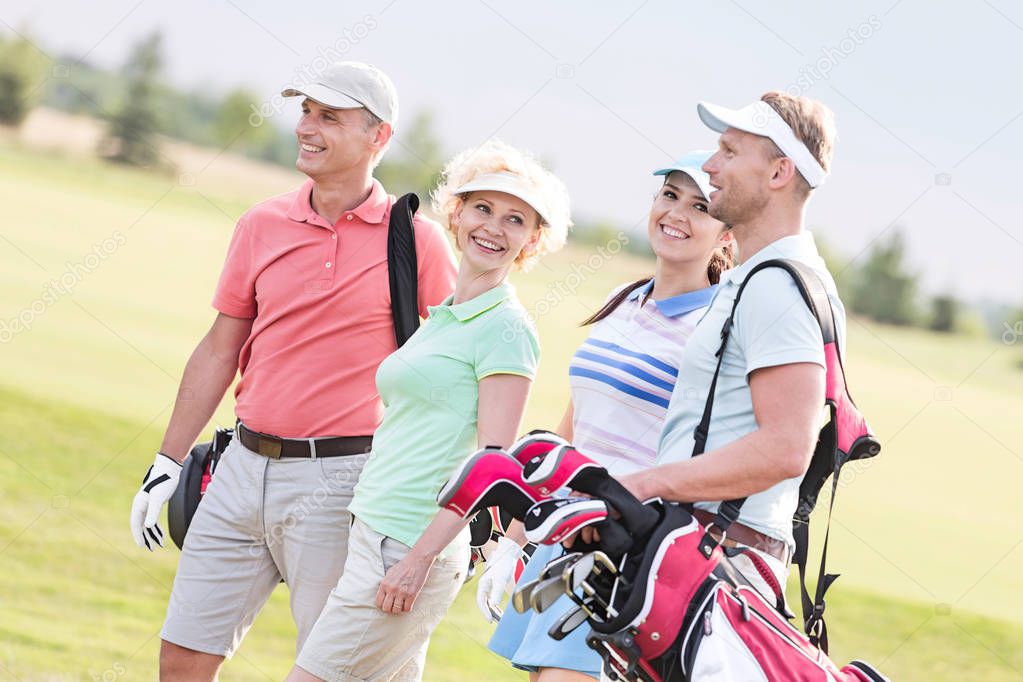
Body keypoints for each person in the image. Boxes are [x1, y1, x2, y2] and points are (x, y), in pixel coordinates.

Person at [127, 61, 458, 681]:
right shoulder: (262, 224)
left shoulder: (417, 241)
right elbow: (220, 348)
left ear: (377, 137)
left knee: (335, 669)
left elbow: (448, 383)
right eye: (306, 111)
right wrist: (167, 463)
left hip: (346, 483)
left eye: (329, 116)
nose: (307, 127)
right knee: (182, 658)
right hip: (239, 469)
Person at [286, 139, 572, 682]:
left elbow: (494, 467)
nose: (493, 227)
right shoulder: (444, 315)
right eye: (483, 208)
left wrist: (417, 560)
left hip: (411, 546)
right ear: (457, 212)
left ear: (532, 240)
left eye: (515, 219)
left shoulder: (506, 329)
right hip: (374, 529)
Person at [484, 151, 734, 680]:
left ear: (727, 235)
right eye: (669, 196)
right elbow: (573, 426)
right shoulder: (625, 300)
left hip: (623, 552)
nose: (677, 215)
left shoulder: (714, 327)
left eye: (700, 206)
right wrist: (516, 537)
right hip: (562, 534)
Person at [613, 91, 845, 601]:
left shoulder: (777, 286)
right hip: (708, 549)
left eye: (730, 152)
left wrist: (648, 484)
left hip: (724, 561)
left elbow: (786, 446)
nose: (712, 167)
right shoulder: (762, 276)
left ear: (780, 173)